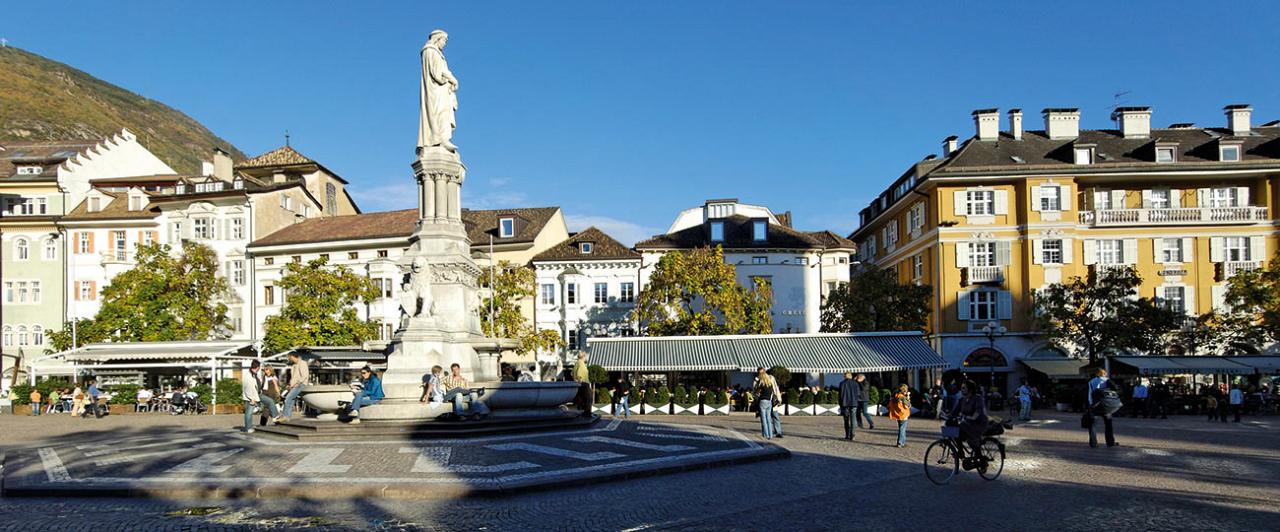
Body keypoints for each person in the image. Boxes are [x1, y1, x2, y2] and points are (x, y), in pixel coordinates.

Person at [242, 360, 279, 433]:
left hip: (258, 394)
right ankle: (248, 428)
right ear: (258, 367)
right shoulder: (248, 376)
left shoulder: (255, 374)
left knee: (270, 401)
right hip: (251, 396)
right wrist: (251, 398)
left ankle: (275, 416)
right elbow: (247, 388)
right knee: (249, 412)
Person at [955, 380, 988, 458]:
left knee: (970, 440)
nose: (961, 390)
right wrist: (945, 415)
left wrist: (972, 417)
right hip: (968, 423)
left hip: (979, 424)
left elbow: (978, 411)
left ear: (970, 389)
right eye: (961, 388)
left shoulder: (977, 398)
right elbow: (954, 412)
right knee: (956, 432)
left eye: (963, 388)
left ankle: (980, 457)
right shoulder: (962, 400)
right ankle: (960, 452)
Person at [1087, 378, 1120, 448]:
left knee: (1092, 425)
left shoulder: (1091, 381)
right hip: (1106, 404)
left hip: (1095, 405)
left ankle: (1093, 443)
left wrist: (1090, 404)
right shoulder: (1107, 380)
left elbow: (1089, 394)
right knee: (1108, 424)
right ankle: (1110, 442)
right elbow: (1115, 389)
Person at [280, 352, 310, 421]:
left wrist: (297, 383)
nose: (289, 359)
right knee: (290, 399)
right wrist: (290, 385)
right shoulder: (294, 365)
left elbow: (305, 375)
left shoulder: (302, 363)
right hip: (294, 385)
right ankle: (287, 417)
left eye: (290, 357)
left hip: (300, 385)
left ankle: (285, 416)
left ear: (293, 356)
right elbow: (294, 377)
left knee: (288, 398)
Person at [755, 367, 783, 440]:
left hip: (767, 401)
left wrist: (778, 398)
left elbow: (775, 389)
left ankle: (772, 433)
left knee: (770, 417)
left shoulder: (765, 380)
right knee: (769, 418)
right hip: (769, 401)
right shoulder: (767, 380)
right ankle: (770, 434)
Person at [838, 372, 859, 440]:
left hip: (845, 403)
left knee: (846, 419)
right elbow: (858, 394)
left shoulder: (842, 383)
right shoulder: (855, 383)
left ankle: (847, 434)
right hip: (853, 403)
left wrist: (840, 404)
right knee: (853, 419)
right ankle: (852, 435)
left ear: (845, 376)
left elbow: (840, 395)